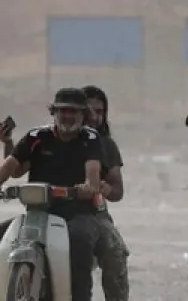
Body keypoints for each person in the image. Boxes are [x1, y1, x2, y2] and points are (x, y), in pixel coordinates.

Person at [0, 88, 105, 301]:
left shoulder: (90, 138)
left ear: (83, 114)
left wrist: (88, 187)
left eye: (73, 111)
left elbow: (93, 176)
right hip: (37, 212)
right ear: (54, 112)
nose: (67, 116)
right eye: (62, 110)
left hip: (77, 214)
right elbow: (10, 167)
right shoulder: (36, 137)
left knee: (80, 240)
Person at [80, 87, 128, 301]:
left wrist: (106, 188)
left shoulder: (106, 145)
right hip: (55, 209)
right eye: (89, 111)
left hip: (94, 214)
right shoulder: (56, 138)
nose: (95, 117)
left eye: (99, 112)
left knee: (115, 252)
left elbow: (118, 191)